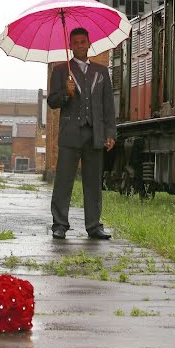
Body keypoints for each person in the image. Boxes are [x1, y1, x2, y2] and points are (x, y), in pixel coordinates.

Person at [47, 27, 116, 240]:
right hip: (70, 133)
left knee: (93, 182)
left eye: (83, 41)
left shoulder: (101, 71)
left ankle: (94, 226)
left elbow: (108, 105)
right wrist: (65, 93)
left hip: (95, 134)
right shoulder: (60, 71)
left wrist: (110, 133)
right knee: (64, 181)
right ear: (70, 46)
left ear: (88, 43)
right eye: (75, 42)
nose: (79, 45)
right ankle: (59, 225)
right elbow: (52, 102)